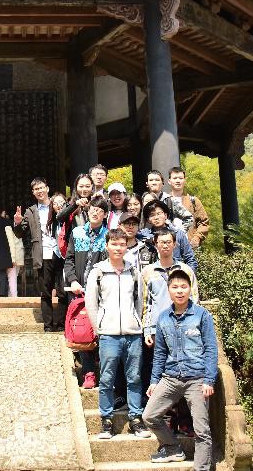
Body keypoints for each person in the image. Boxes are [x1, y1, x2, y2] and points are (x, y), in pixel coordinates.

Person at [143, 267, 217, 468]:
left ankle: (201, 467)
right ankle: (172, 448)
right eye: (175, 287)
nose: (179, 291)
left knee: (201, 430)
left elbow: (211, 349)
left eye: (183, 287)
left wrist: (209, 380)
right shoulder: (163, 318)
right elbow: (160, 353)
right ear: (169, 290)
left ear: (189, 289)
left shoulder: (202, 315)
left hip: (197, 379)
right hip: (171, 377)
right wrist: (154, 381)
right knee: (149, 416)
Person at [85, 228, 150, 440]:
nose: (118, 248)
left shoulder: (133, 272)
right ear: (107, 246)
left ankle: (136, 418)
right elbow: (91, 304)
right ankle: (106, 420)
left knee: (135, 378)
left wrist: (137, 323)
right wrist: (99, 328)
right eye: (114, 244)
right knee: (106, 379)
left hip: (132, 333)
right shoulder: (98, 272)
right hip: (108, 334)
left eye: (122, 244)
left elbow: (139, 301)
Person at [65, 195, 109, 389]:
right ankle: (88, 373)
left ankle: (103, 371)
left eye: (99, 210)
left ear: (105, 214)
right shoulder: (77, 232)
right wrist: (73, 280)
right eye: (92, 209)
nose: (95, 212)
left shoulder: (108, 236)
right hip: (80, 289)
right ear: (87, 210)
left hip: (101, 292)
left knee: (101, 331)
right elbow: (69, 260)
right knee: (83, 330)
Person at [15, 177, 65, 331]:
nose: (39, 191)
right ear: (33, 192)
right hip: (43, 254)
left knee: (63, 291)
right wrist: (17, 222)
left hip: (61, 253)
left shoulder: (58, 204)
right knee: (46, 292)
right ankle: (48, 325)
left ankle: (61, 324)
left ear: (47, 188)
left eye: (41, 187)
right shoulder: (31, 211)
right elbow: (19, 233)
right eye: (36, 189)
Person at [138, 199, 198, 274]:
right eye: (152, 215)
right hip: (154, 277)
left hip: (175, 276)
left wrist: (186, 277)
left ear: (165, 216)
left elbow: (190, 259)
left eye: (159, 213)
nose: (156, 217)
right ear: (148, 220)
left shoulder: (178, 234)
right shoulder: (144, 235)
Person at [167, 166, 210, 247]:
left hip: (189, 245)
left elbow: (204, 222)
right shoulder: (164, 201)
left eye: (180, 178)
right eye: (175, 178)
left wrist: (197, 237)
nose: (178, 181)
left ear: (184, 180)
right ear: (169, 181)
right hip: (169, 246)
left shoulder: (193, 200)